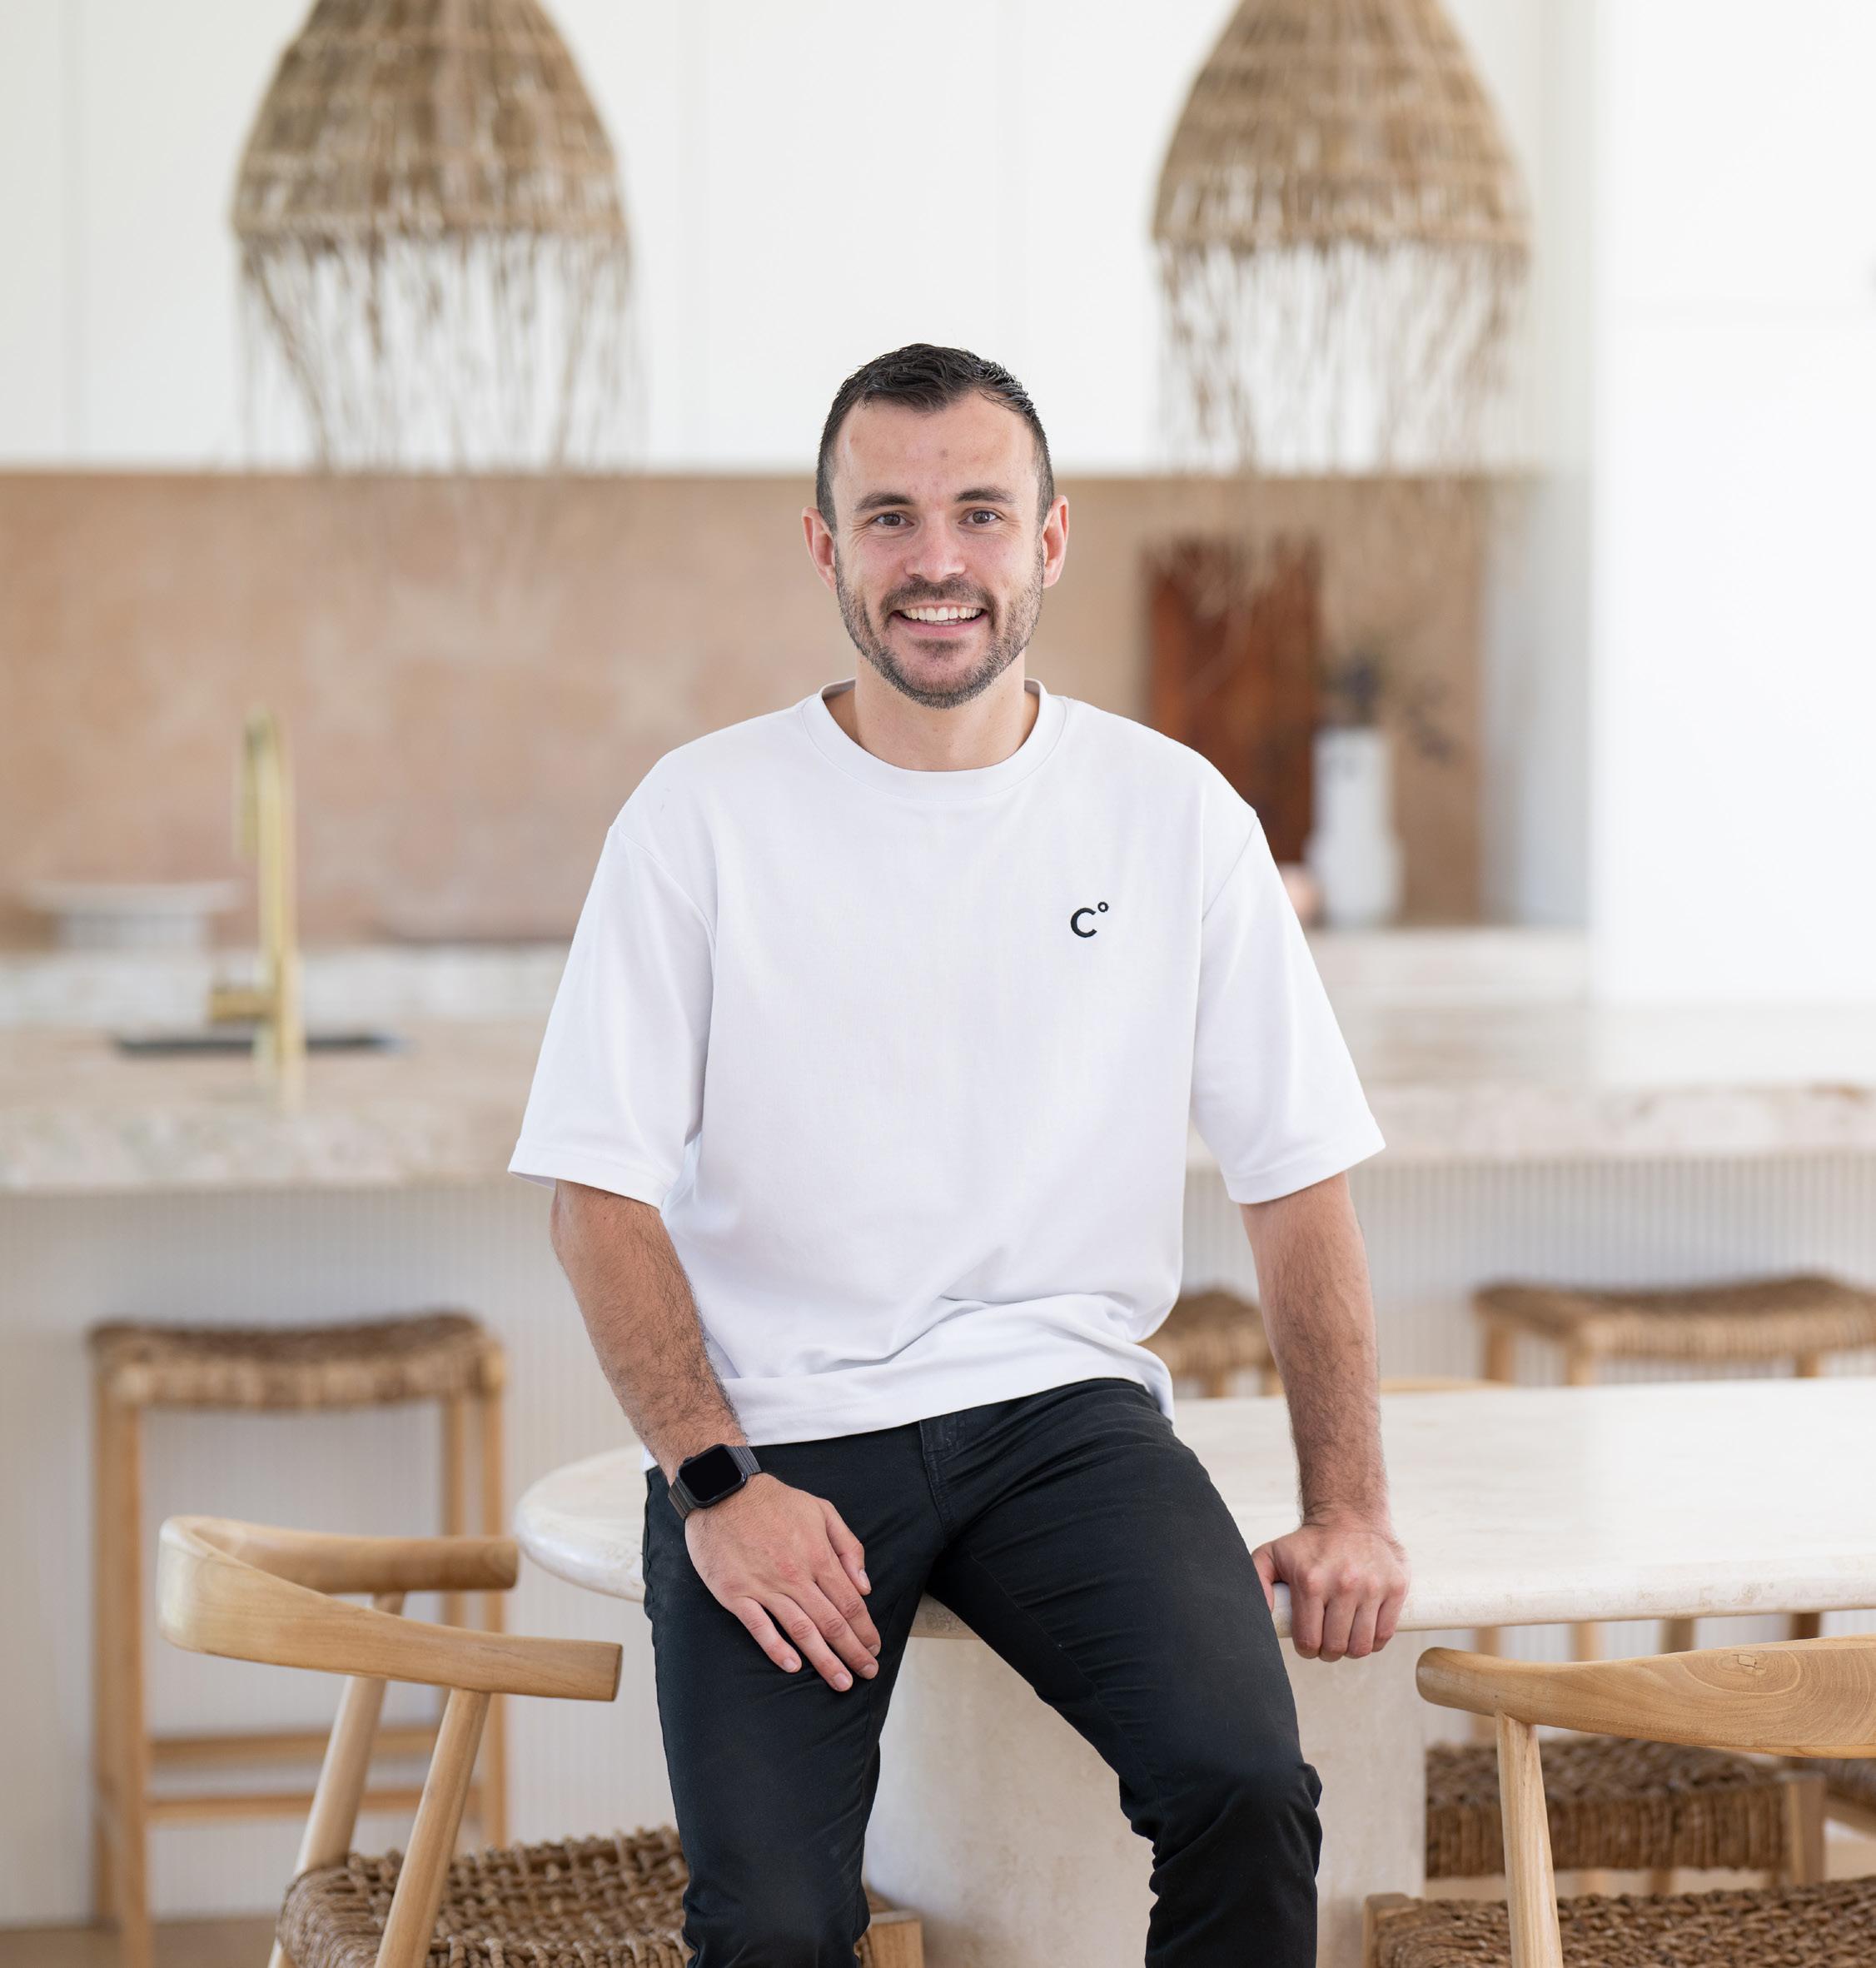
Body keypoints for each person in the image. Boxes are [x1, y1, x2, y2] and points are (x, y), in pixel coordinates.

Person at [508, 343, 1409, 1967]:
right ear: (825, 546)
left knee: (1243, 1791)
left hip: (1061, 1420)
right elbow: (596, 1196)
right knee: (774, 1926)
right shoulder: (698, 817)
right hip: (778, 1437)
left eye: (980, 513)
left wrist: (1346, 1506)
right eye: (890, 518)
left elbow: (1295, 1181)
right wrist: (716, 1485)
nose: (937, 561)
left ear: (1048, 539)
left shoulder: (1173, 815)